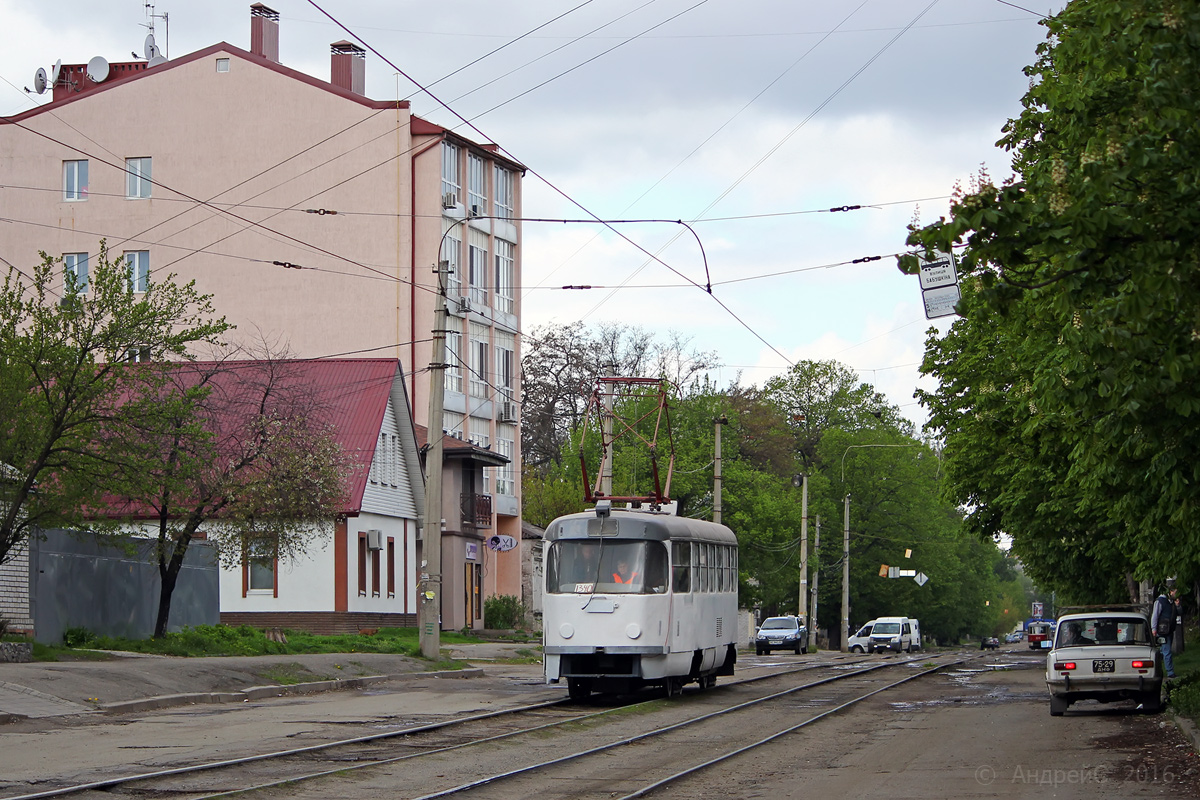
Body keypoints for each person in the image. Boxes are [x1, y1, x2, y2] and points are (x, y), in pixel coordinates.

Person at [1152, 585, 1179, 679]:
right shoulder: (1160, 601)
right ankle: (1170, 672)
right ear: (1170, 592)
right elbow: (1155, 615)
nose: (1176, 595)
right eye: (1175, 592)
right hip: (1163, 630)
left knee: (1164, 650)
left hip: (1169, 629)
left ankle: (1160, 669)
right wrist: (1154, 628)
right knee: (1166, 651)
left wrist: (1177, 605)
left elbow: (1179, 612)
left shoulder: (1172, 602)